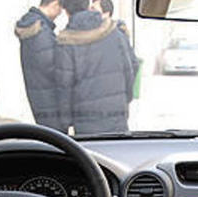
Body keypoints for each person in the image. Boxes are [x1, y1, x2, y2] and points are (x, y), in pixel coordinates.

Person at [56, 0, 139, 135]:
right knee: (117, 146)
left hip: (85, 118)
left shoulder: (66, 41)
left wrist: (66, 121)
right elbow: (131, 67)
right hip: (116, 112)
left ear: (65, 11)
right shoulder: (114, 32)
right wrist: (125, 98)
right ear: (88, 6)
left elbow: (65, 85)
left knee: (91, 149)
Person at [15, 0, 63, 129]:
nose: (60, 13)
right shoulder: (41, 31)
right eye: (60, 8)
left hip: (38, 91)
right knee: (55, 135)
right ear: (54, 4)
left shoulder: (32, 24)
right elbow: (51, 66)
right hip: (49, 96)